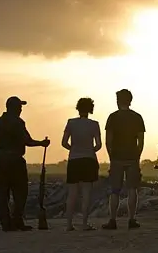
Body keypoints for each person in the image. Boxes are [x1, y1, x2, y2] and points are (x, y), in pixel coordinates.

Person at [0, 96, 50, 232]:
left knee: (2, 192)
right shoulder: (18, 122)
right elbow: (27, 140)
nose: (21, 109)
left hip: (0, 159)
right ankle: (17, 220)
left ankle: (6, 223)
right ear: (14, 108)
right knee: (20, 191)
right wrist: (41, 143)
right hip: (15, 160)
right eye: (19, 107)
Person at [102, 89, 145, 230]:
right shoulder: (137, 117)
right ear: (130, 100)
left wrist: (111, 157)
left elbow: (108, 141)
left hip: (117, 157)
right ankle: (132, 219)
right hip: (132, 156)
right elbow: (141, 141)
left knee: (115, 190)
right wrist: (137, 156)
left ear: (117, 101)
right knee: (132, 189)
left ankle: (112, 220)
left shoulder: (112, 117)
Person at [61, 97, 102, 231]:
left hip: (74, 160)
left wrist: (73, 149)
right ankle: (84, 223)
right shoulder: (94, 124)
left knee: (72, 193)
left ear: (78, 108)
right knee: (86, 193)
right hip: (88, 160)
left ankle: (68, 224)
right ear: (90, 109)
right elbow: (99, 144)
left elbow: (64, 142)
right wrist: (90, 150)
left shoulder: (71, 123)